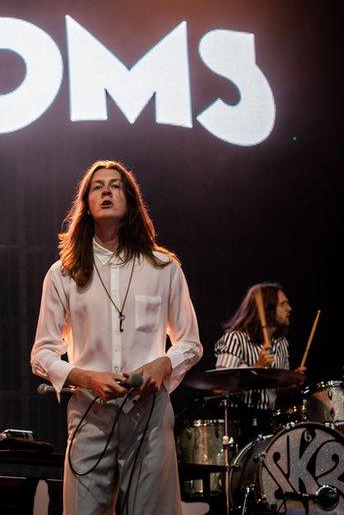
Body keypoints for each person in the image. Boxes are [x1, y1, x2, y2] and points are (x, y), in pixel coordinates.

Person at [30, 160, 202, 514]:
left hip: (149, 415)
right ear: (87, 204)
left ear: (131, 201)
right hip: (90, 414)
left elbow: (191, 342)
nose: (106, 190)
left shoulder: (163, 267)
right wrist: (85, 377)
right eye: (98, 186)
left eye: (116, 185)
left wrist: (165, 362)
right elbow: (41, 354)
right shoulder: (63, 274)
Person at [215, 282, 300, 411]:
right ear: (268, 309)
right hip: (238, 418)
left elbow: (277, 392)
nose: (290, 308)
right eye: (283, 304)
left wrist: (291, 382)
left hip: (269, 418)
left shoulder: (281, 343)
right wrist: (258, 367)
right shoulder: (235, 339)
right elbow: (219, 388)